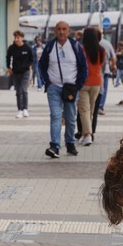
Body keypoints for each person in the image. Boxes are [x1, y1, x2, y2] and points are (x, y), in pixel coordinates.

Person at [36, 21, 87, 158]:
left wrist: (78, 85)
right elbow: (42, 66)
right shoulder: (50, 47)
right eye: (59, 29)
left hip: (71, 88)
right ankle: (54, 146)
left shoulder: (75, 46)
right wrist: (47, 82)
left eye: (64, 29)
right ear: (55, 31)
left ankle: (70, 144)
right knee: (56, 116)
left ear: (69, 31)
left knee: (70, 118)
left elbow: (83, 67)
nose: (61, 32)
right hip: (54, 87)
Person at [75, 26, 105, 147]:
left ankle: (87, 135)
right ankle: (86, 134)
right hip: (97, 82)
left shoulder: (81, 49)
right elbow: (101, 65)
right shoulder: (102, 50)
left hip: (83, 83)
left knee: (84, 110)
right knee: (91, 110)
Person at [6, 30, 34, 118]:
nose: (16, 39)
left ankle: (25, 109)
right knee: (18, 91)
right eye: (15, 38)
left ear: (22, 38)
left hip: (25, 71)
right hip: (15, 72)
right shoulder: (12, 47)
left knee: (24, 90)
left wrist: (29, 66)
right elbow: (8, 57)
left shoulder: (27, 47)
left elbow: (32, 58)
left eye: (18, 37)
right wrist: (9, 68)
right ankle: (20, 110)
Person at [97, 32, 116, 116]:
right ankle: (100, 107)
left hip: (92, 70)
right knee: (103, 89)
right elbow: (113, 57)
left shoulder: (87, 43)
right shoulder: (107, 43)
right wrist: (113, 66)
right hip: (105, 69)